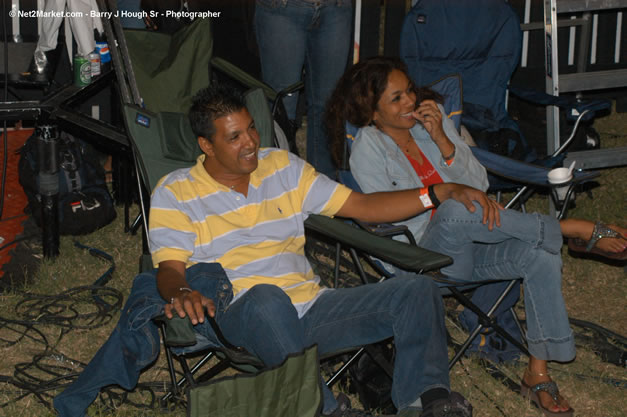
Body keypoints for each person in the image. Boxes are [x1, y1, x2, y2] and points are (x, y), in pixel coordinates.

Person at [55, 83, 509, 417]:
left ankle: (427, 402)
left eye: (251, 130)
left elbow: (363, 206)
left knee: (415, 291)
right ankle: (326, 410)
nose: (251, 142)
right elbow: (169, 269)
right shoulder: (176, 191)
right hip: (238, 313)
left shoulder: (283, 166)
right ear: (206, 146)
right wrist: (181, 293)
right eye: (234, 137)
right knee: (269, 300)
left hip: (310, 310)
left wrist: (438, 191)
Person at [326, 56, 627, 417]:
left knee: (540, 257)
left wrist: (441, 139)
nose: (410, 102)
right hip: (421, 259)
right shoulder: (368, 149)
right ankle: (569, 228)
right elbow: (384, 214)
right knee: (453, 207)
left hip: (469, 245)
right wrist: (445, 192)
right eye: (396, 99)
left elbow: (480, 187)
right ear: (372, 112)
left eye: (409, 91)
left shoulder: (429, 124)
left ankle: (537, 374)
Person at [254, 0, 352, 178]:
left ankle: (323, 188)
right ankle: (280, 185)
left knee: (329, 106)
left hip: (336, 7)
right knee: (281, 109)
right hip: (282, 7)